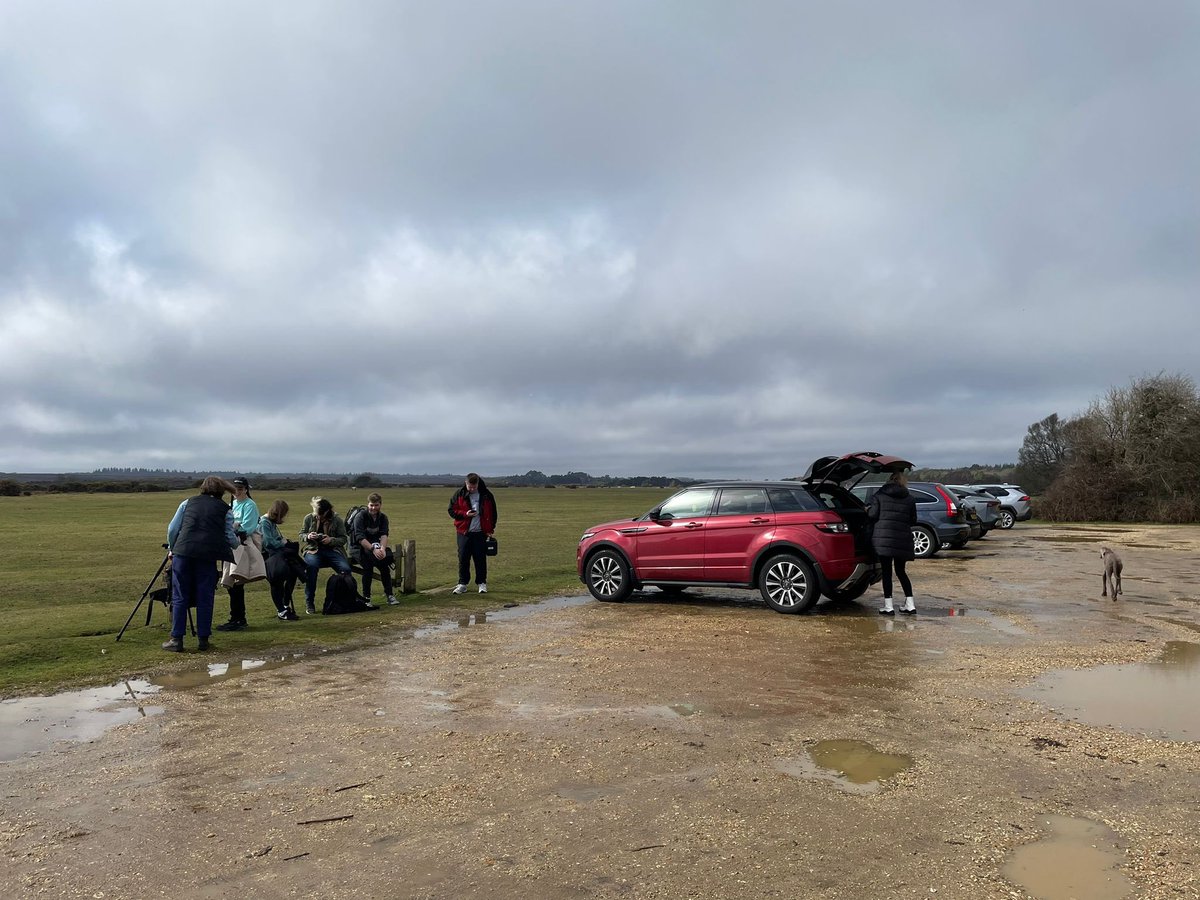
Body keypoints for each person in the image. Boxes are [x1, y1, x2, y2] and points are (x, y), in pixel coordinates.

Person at [164, 476, 240, 651]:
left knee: (180, 595)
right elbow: (230, 538)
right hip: (207, 557)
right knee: (205, 597)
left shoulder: (187, 503)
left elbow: (173, 529)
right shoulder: (225, 509)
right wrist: (237, 539)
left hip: (183, 553)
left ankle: (176, 640)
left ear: (203, 487)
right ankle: (203, 640)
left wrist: (172, 547)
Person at [867, 471, 919, 615]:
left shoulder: (879, 496)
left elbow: (872, 515)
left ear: (889, 480)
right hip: (902, 538)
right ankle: (910, 604)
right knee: (901, 571)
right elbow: (913, 520)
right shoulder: (909, 498)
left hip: (884, 538)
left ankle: (888, 606)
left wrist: (868, 509)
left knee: (887, 572)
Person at [216, 476, 261, 632]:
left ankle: (238, 618)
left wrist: (233, 528)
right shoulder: (232, 504)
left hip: (241, 546)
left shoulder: (250, 505)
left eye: (240, 489)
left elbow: (247, 527)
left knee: (237, 582)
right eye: (234, 489)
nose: (237, 492)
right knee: (231, 583)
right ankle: (236, 617)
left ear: (246, 489)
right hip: (230, 545)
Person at [300, 496, 352, 614]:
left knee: (346, 569)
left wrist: (331, 540)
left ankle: (343, 601)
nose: (318, 517)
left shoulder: (337, 520)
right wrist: (308, 536)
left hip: (333, 550)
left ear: (327, 512)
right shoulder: (309, 518)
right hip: (313, 550)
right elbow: (301, 534)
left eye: (320, 516)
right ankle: (310, 603)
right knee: (311, 568)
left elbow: (343, 538)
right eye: (317, 515)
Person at [447, 473, 497, 594]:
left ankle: (482, 583)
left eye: (474, 487)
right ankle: (462, 584)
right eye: (470, 487)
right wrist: (465, 514)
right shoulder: (459, 494)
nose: (472, 489)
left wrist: (491, 529)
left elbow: (493, 513)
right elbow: (451, 510)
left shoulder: (486, 495)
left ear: (478, 484)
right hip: (464, 532)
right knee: (463, 558)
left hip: (481, 532)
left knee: (480, 558)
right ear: (466, 483)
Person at [353, 492, 398, 606]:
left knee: (384, 566)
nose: (373, 508)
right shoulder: (361, 517)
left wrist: (382, 549)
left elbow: (384, 535)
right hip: (359, 547)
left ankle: (390, 595)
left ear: (380, 505)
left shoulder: (383, 518)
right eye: (371, 505)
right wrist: (373, 549)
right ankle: (366, 598)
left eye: (376, 505)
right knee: (368, 568)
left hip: (375, 546)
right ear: (368, 504)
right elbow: (360, 537)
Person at [260, 499, 300, 620]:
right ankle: (281, 610)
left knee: (293, 574)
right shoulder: (265, 522)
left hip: (276, 555)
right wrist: (282, 543)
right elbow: (268, 542)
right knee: (276, 582)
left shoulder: (271, 523)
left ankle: (284, 603)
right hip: (268, 557)